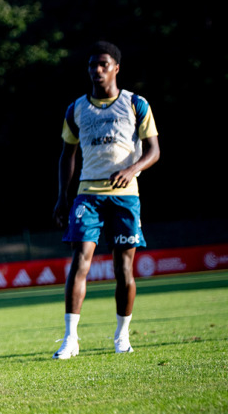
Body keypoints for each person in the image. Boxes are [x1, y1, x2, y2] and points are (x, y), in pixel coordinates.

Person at [51, 41, 160, 359]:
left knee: (123, 268)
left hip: (125, 196)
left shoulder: (136, 104)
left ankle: (122, 336)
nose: (96, 70)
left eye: (103, 64)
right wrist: (62, 197)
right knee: (80, 261)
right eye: (92, 65)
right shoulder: (76, 109)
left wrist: (133, 169)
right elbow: (67, 155)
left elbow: (154, 150)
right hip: (88, 195)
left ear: (116, 68)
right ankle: (71, 339)